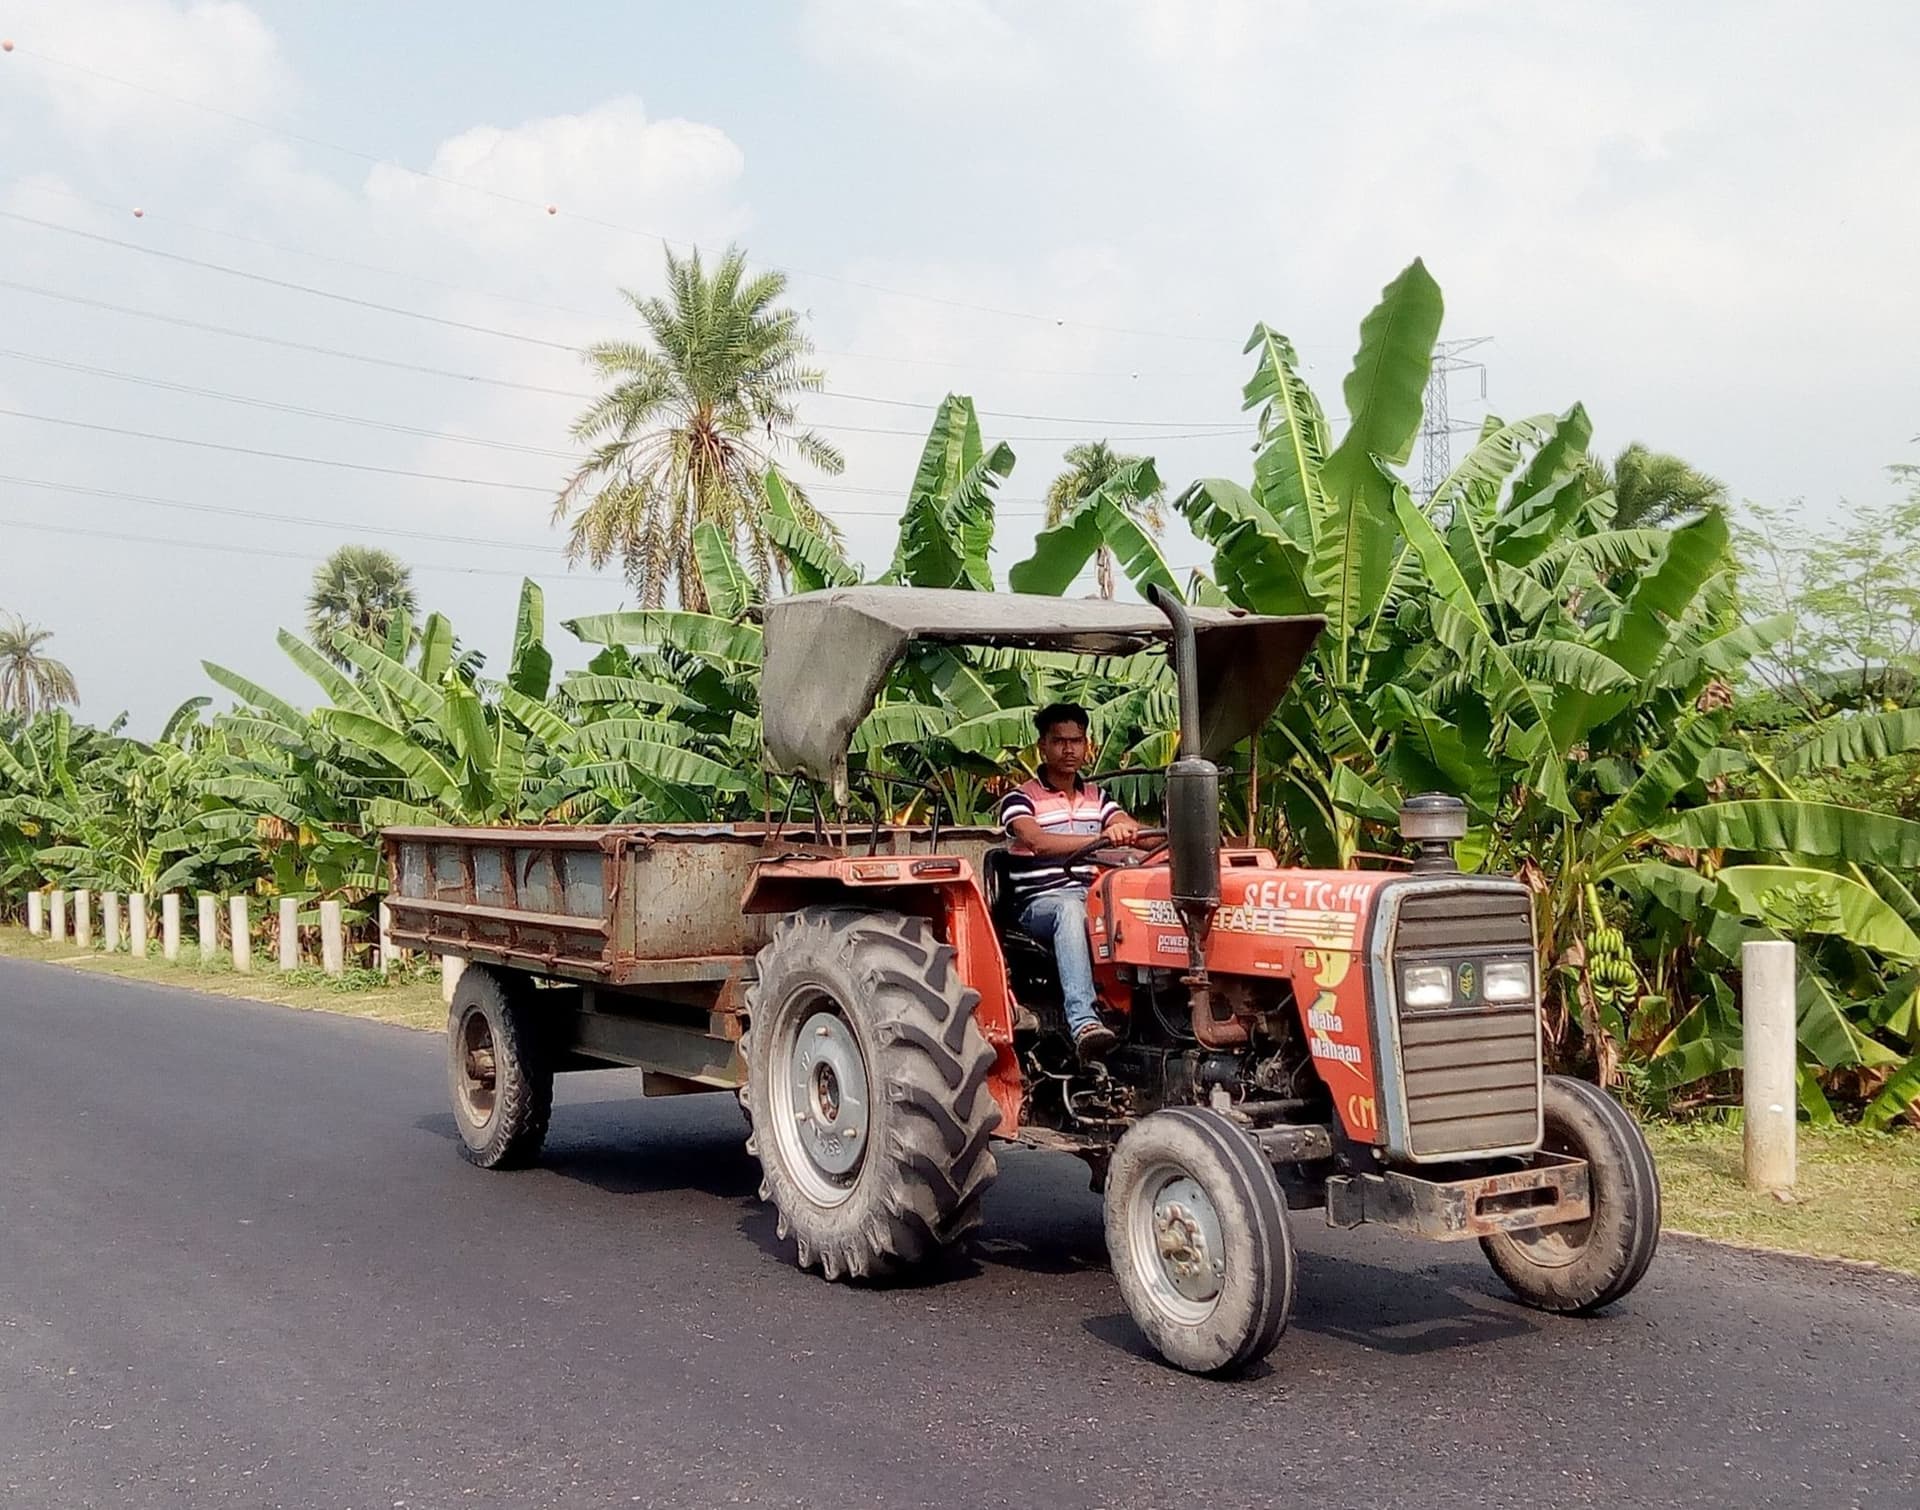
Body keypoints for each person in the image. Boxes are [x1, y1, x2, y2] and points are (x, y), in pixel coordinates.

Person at [998, 702, 1141, 1060]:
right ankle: (1083, 1022)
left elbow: (1133, 829)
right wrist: (1103, 839)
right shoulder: (1020, 798)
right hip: (1040, 905)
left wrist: (1130, 831)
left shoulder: (1099, 798)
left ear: (1086, 745)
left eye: (1076, 741)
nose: (1068, 750)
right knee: (1070, 908)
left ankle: (1144, 1013)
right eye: (1059, 741)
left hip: (1093, 896)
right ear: (1042, 747)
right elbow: (1038, 841)